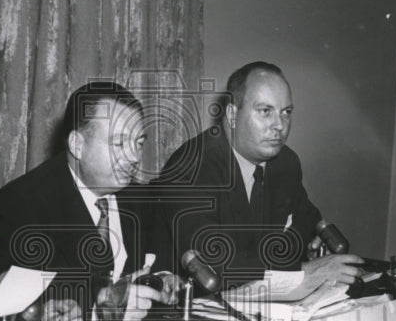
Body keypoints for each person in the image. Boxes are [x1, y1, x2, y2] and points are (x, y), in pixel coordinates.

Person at [0, 81, 173, 321]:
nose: (134, 156)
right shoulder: (20, 204)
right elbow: (3, 307)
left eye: (138, 143)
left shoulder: (138, 198)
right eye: (119, 143)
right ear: (77, 145)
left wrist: (164, 281)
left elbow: (161, 264)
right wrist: (100, 310)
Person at [151, 61, 363, 290]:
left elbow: (309, 221)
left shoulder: (285, 162)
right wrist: (303, 270)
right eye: (265, 111)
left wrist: (309, 247)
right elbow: (215, 266)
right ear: (232, 115)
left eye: (286, 112)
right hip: (189, 307)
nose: (280, 125)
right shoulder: (190, 166)